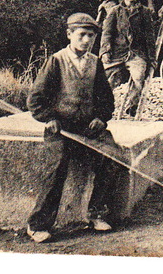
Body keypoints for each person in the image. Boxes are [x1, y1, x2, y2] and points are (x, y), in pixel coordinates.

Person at [26, 13, 119, 243]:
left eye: (91, 36)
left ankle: (96, 213)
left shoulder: (95, 63)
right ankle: (37, 224)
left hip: (88, 127)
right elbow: (35, 99)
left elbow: (106, 99)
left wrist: (101, 118)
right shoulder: (57, 61)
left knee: (112, 157)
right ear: (69, 35)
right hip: (60, 129)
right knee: (57, 166)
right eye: (82, 35)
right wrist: (49, 118)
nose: (86, 40)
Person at [101, 0, 156, 119]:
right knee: (106, 79)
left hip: (137, 53)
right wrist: (105, 51)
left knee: (138, 78)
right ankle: (102, 107)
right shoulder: (115, 11)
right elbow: (107, 33)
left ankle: (132, 106)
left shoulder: (145, 13)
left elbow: (150, 38)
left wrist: (151, 59)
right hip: (117, 52)